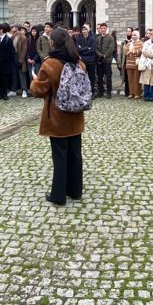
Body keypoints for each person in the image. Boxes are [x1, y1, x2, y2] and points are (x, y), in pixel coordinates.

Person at [29, 27, 86, 206]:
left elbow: (39, 90)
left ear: (53, 42)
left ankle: (58, 195)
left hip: (57, 116)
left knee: (60, 157)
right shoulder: (79, 62)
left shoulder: (49, 64)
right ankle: (75, 191)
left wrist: (34, 80)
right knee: (75, 155)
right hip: (75, 116)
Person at [0, 23, 16, 101]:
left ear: (1, 30)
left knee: (4, 80)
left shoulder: (8, 39)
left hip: (5, 64)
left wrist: (5, 60)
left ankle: (4, 94)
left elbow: (11, 52)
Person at [95, 23, 116, 99]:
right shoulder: (98, 38)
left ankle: (109, 92)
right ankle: (101, 92)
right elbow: (96, 48)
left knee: (108, 77)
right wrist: (100, 55)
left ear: (106, 29)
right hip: (99, 61)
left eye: (104, 28)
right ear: (100, 29)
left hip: (107, 60)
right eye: (101, 28)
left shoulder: (110, 38)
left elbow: (111, 48)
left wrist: (104, 55)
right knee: (99, 77)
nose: (103, 29)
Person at [75, 24, 98, 92]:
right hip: (83, 61)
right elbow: (77, 49)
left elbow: (93, 50)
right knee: (82, 77)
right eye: (83, 30)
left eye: (85, 29)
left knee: (91, 77)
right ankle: (83, 91)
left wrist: (82, 50)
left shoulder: (92, 39)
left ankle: (92, 91)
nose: (84, 31)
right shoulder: (79, 39)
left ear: (88, 30)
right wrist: (87, 48)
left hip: (91, 61)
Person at [124, 32, 143, 99]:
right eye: (132, 35)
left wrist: (133, 51)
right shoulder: (129, 43)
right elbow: (125, 51)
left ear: (138, 36)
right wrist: (129, 52)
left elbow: (140, 51)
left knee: (136, 79)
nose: (133, 36)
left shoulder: (140, 43)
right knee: (130, 79)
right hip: (129, 63)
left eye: (135, 35)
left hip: (136, 63)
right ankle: (131, 93)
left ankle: (137, 93)